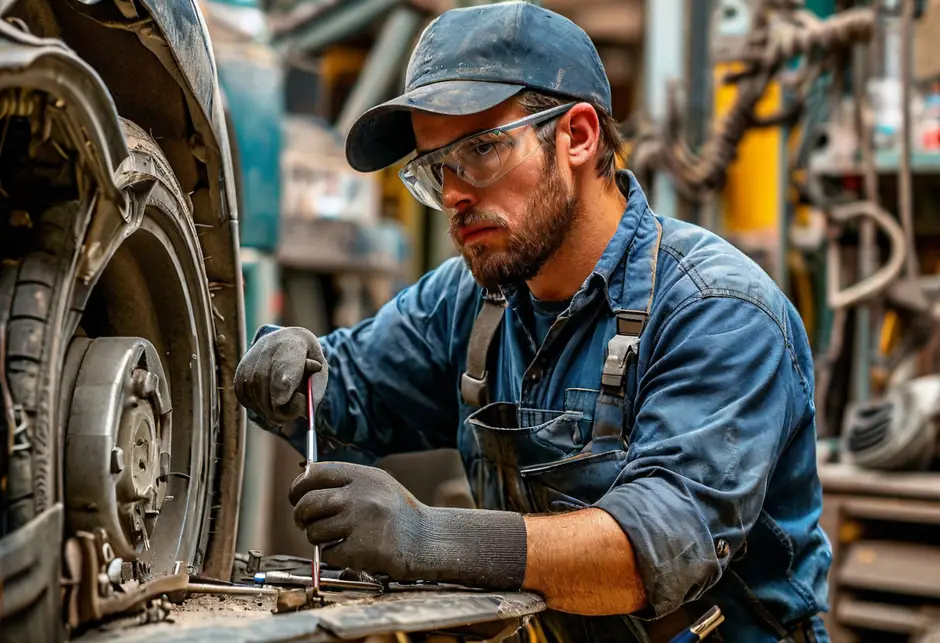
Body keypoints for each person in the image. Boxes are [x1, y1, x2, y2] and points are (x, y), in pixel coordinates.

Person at [233, 3, 832, 641]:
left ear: (577, 136)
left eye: (482, 149)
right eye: (436, 169)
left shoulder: (717, 312)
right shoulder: (472, 299)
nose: (456, 194)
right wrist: (291, 369)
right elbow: (345, 389)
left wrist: (428, 537)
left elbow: (652, 551)